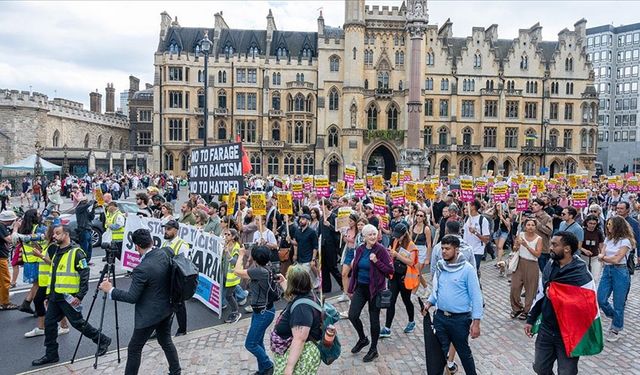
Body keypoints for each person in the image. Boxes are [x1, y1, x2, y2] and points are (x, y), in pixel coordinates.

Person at [99, 228, 181, 375]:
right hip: (167, 308)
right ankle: (176, 371)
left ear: (136, 246)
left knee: (134, 348)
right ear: (151, 241)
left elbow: (132, 297)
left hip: (150, 315)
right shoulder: (165, 252)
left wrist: (110, 290)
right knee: (165, 340)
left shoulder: (141, 269)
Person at [32, 225, 111, 366]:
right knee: (49, 324)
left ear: (67, 234)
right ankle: (51, 354)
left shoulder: (77, 253)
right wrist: (49, 295)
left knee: (78, 323)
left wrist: (79, 296)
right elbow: (55, 275)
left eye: (58, 233)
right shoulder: (56, 251)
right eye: (54, 234)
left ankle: (102, 339)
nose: (54, 236)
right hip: (55, 297)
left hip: (69, 297)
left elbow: (84, 276)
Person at [525, 231, 590, 375]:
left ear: (567, 249)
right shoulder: (550, 265)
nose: (550, 247)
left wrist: (559, 295)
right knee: (540, 368)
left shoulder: (581, 273)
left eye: (555, 245)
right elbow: (541, 294)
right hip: (547, 328)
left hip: (569, 332)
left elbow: (586, 303)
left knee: (567, 371)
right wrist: (531, 319)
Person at [424, 234, 483, 375]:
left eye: (447, 249)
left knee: (464, 353)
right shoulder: (440, 266)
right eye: (442, 248)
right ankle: (445, 368)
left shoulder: (467, 269)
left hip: (460, 320)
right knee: (440, 352)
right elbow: (436, 290)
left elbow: (476, 297)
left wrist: (476, 323)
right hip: (440, 318)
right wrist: (429, 302)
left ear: (456, 250)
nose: (443, 251)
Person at [347, 224, 394, 363]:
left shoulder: (381, 250)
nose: (373, 237)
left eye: (375, 234)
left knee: (374, 321)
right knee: (352, 315)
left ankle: (373, 349)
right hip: (360, 288)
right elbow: (354, 271)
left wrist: (376, 261)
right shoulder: (360, 249)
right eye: (370, 234)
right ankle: (362, 339)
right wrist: (350, 289)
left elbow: (390, 271)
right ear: (364, 237)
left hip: (375, 290)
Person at [272, 265, 323, 375]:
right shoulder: (306, 294)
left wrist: (289, 368)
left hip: (302, 355)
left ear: (294, 285)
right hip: (297, 352)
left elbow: (299, 339)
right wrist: (284, 282)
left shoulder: (302, 309)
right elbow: (294, 296)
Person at [234, 245, 276, 375]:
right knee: (258, 341)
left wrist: (241, 255)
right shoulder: (265, 268)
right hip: (262, 311)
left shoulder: (259, 272)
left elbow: (237, 271)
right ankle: (263, 370)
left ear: (256, 259)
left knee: (250, 344)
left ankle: (268, 365)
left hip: (263, 313)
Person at [25, 224, 70, 338]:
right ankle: (60, 326)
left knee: (40, 301)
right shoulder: (48, 245)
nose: (43, 234)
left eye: (45, 232)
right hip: (45, 281)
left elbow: (54, 263)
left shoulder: (53, 246)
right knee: (51, 303)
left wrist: (40, 255)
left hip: (50, 282)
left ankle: (45, 327)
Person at [597, 216, 633, 342]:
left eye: (610, 224)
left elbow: (616, 259)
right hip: (607, 271)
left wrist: (603, 257)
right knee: (600, 298)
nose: (608, 226)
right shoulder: (608, 239)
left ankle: (616, 328)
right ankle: (615, 316)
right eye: (607, 224)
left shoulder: (625, 241)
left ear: (617, 225)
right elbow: (602, 253)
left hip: (620, 271)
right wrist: (603, 257)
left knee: (619, 302)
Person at [381, 223, 418, 337]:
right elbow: (392, 256)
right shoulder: (395, 241)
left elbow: (411, 262)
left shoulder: (411, 245)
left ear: (404, 234)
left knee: (406, 300)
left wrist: (396, 254)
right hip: (394, 275)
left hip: (404, 277)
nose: (397, 238)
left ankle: (411, 321)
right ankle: (387, 327)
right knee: (391, 301)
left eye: (399, 236)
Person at [510, 217, 542, 320]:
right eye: (528, 225)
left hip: (532, 265)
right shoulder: (520, 235)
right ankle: (517, 308)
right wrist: (517, 244)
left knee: (530, 289)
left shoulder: (539, 239)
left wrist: (526, 245)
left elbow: (538, 254)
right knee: (515, 287)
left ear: (535, 227)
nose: (530, 227)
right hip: (520, 263)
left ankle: (527, 310)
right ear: (524, 226)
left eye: (533, 225)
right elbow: (514, 249)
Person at [161, 219, 189, 336]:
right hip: (166, 278)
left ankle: (182, 329)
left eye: (168, 229)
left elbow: (182, 264)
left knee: (179, 306)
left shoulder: (182, 245)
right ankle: (161, 329)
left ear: (176, 230)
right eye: (165, 229)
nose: (165, 231)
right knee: (164, 304)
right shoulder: (165, 243)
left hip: (177, 280)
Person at [291, 214, 319, 289]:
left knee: (305, 277)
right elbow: (297, 243)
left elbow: (315, 247)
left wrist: (313, 259)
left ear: (308, 221)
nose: (300, 220)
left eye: (303, 219)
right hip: (300, 258)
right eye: (300, 219)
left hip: (308, 258)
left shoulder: (312, 232)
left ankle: (317, 281)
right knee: (306, 278)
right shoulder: (297, 231)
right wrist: (290, 241)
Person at [462, 199, 491, 271]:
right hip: (466, 250)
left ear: (473, 207)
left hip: (477, 250)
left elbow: (486, 239)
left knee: (473, 271)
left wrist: (475, 233)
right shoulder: (467, 218)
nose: (465, 206)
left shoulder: (482, 220)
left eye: (467, 204)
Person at [338, 213, 359, 303]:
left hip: (356, 252)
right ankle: (345, 293)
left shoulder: (358, 231)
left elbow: (357, 241)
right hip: (348, 251)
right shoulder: (347, 230)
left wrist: (348, 239)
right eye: (348, 221)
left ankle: (353, 294)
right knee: (344, 273)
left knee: (355, 274)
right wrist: (343, 235)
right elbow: (345, 240)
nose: (349, 223)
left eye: (351, 221)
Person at [222, 228, 242, 324]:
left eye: (228, 234)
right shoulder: (226, 244)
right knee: (232, 295)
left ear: (233, 237)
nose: (226, 236)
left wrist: (227, 253)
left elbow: (235, 262)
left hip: (233, 276)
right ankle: (235, 310)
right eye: (225, 234)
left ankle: (236, 312)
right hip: (226, 274)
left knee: (228, 295)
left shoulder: (236, 247)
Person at [0, 210, 18, 310]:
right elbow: (10, 239)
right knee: (5, 280)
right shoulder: (1, 227)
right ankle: (5, 303)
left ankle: (2, 299)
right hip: (1, 258)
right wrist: (15, 229)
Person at [530, 198, 553, 272]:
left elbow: (549, 232)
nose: (533, 206)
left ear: (541, 207)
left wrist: (538, 224)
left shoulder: (547, 217)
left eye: (535, 205)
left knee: (544, 270)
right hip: (532, 247)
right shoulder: (531, 216)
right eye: (532, 204)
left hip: (543, 248)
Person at [580, 215, 604, 282]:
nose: (592, 225)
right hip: (583, 257)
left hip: (595, 257)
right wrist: (584, 250)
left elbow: (601, 245)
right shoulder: (582, 231)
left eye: (594, 224)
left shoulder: (599, 232)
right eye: (590, 223)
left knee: (595, 277)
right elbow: (578, 245)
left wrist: (602, 256)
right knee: (584, 277)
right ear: (586, 223)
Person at [75, 197, 96, 264]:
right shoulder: (79, 209)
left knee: (89, 247)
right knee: (84, 248)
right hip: (83, 230)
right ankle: (83, 262)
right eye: (85, 201)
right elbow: (86, 205)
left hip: (88, 230)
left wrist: (93, 208)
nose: (86, 202)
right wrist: (92, 202)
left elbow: (91, 217)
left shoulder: (85, 210)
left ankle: (87, 261)